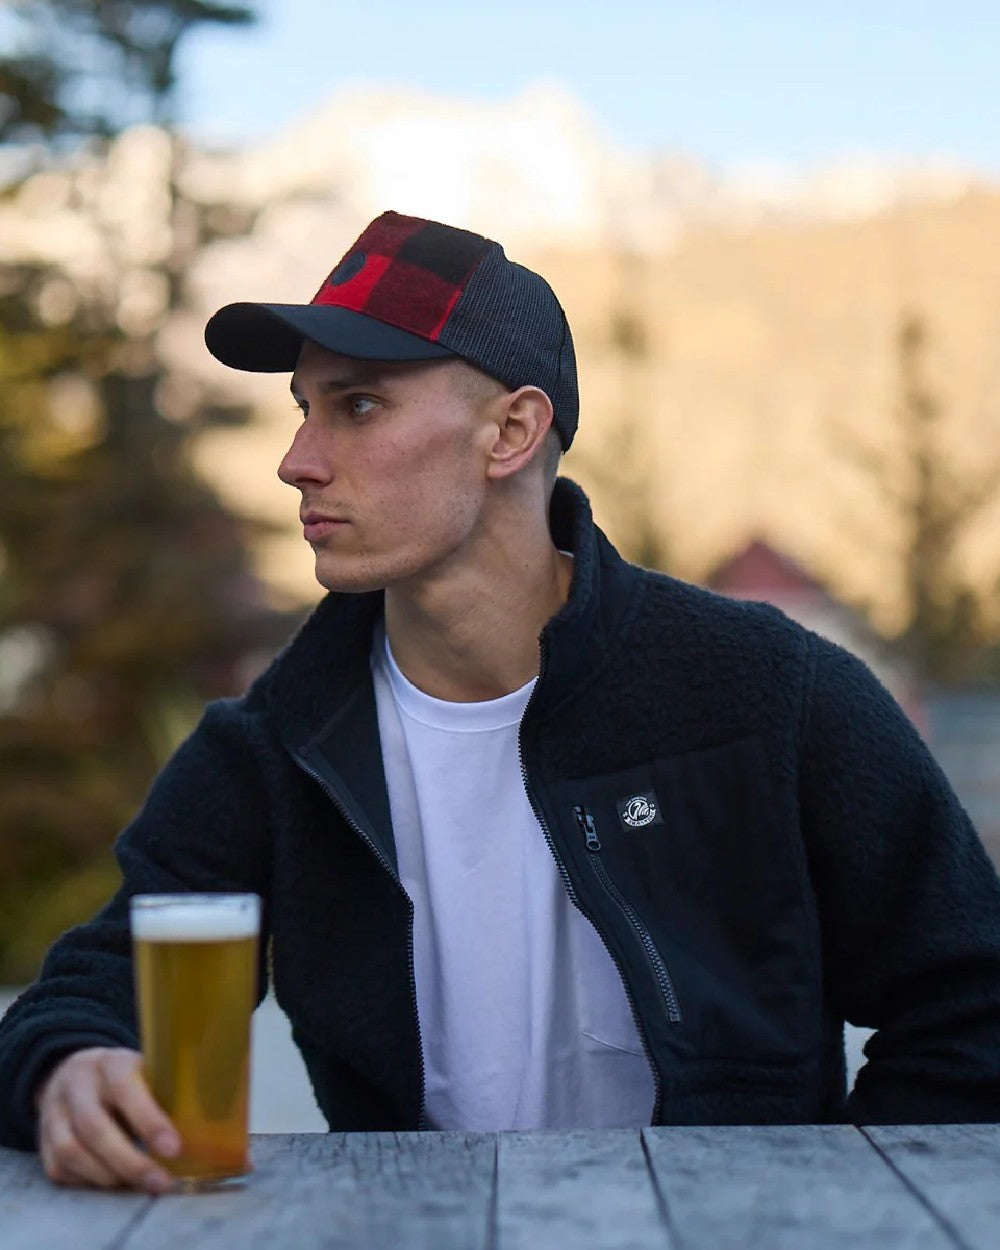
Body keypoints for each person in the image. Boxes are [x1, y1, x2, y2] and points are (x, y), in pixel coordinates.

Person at [2, 210, 999, 1192]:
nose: (297, 459)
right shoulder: (274, 747)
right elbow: (88, 993)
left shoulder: (767, 694)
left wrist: (829, 1208)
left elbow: (970, 1003)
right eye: (300, 408)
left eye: (356, 407)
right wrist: (68, 1068)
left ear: (511, 429)